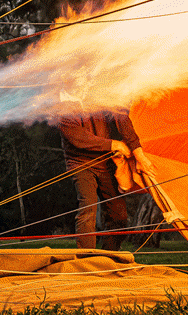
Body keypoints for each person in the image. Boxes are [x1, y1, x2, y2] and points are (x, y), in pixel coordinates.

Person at [54, 90, 156, 251]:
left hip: (106, 162)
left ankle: (108, 256)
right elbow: (80, 139)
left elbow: (123, 122)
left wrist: (140, 156)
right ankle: (86, 260)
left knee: (119, 215)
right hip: (80, 164)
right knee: (88, 207)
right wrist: (114, 145)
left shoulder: (103, 94)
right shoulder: (62, 109)